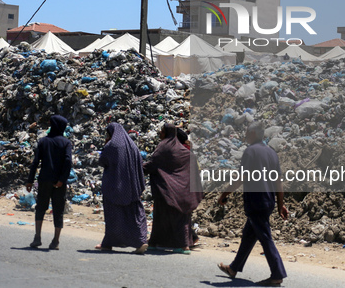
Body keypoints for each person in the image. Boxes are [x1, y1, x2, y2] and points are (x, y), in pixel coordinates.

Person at [217, 121, 288, 286]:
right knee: (249, 234)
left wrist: (224, 194)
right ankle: (234, 268)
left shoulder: (250, 152)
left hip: (256, 201)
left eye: (247, 132)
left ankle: (277, 274)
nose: (245, 136)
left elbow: (241, 177)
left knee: (265, 237)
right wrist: (279, 204)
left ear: (254, 133)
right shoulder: (272, 153)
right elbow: (278, 182)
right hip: (268, 201)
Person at [144, 123, 203, 254]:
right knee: (181, 218)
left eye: (162, 131)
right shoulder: (183, 150)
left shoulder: (164, 147)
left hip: (167, 191)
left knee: (162, 217)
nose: (160, 134)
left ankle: (175, 244)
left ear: (167, 133)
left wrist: (137, 168)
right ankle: (182, 245)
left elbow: (153, 164)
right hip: (182, 191)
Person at [95, 123, 148, 254]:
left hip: (115, 186)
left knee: (114, 216)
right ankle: (141, 241)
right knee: (134, 215)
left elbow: (102, 161)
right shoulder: (133, 146)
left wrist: (106, 144)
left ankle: (108, 244)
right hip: (131, 187)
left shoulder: (111, 146)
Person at [26, 115, 73, 250]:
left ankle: (37, 237)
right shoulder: (66, 143)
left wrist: (30, 181)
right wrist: (62, 180)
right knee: (58, 211)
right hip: (59, 183)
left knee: (41, 208)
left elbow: (35, 163)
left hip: (44, 180)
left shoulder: (43, 142)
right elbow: (68, 161)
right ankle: (55, 241)